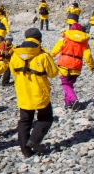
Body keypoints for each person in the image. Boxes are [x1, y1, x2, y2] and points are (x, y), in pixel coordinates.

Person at [9, 28, 59, 158]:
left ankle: (25, 149)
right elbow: (53, 73)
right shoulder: (43, 54)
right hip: (39, 92)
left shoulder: (15, 54)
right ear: (39, 39)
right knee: (46, 117)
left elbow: (13, 72)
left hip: (23, 91)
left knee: (24, 120)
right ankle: (34, 140)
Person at [50, 23, 94, 109]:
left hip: (64, 64)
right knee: (69, 84)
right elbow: (88, 56)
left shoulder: (65, 38)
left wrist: (49, 57)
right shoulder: (84, 41)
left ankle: (74, 99)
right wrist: (91, 66)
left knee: (65, 84)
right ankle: (68, 103)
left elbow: (54, 51)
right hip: (76, 65)